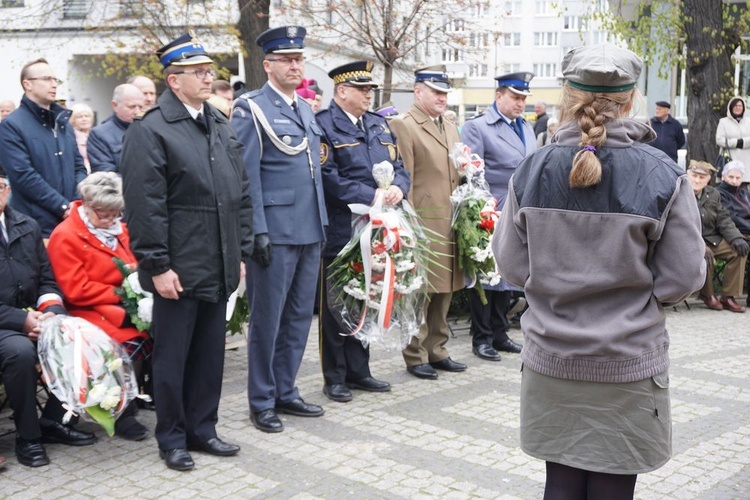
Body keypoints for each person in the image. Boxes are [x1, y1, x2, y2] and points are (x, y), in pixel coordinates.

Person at [493, 43, 706, 499]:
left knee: (561, 484)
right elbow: (685, 276)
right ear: (630, 98)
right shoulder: (664, 174)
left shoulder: (531, 169)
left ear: (568, 93)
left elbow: (511, 264)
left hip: (552, 359)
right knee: (613, 486)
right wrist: (637, 301)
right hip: (625, 363)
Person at [120, 32, 253, 471]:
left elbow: (239, 193)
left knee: (210, 354)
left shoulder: (218, 121)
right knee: (174, 357)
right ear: (173, 80)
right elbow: (145, 205)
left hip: (217, 259)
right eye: (198, 71)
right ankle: (172, 437)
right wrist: (156, 265)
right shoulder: (152, 128)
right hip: (178, 264)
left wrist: (239, 250)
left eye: (209, 70)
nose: (208, 76)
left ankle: (203, 429)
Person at [231, 26, 328, 432]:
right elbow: (246, 177)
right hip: (275, 231)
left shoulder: (305, 109)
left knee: (299, 318)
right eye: (287, 59)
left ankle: (286, 390)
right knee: (268, 321)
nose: (295, 65)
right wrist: (256, 233)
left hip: (308, 228)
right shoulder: (250, 108)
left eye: (299, 59)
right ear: (267, 65)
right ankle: (261, 399)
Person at [315, 60, 410, 401]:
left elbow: (400, 166)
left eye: (370, 89)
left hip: (378, 228)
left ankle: (360, 370)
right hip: (343, 229)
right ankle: (335, 377)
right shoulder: (324, 125)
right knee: (337, 302)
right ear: (342, 91)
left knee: (367, 298)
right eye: (362, 89)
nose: (369, 95)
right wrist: (370, 195)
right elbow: (327, 177)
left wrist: (400, 187)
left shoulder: (378, 124)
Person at [0, 164, 97, 468]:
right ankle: (28, 438)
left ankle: (54, 421)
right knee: (19, 352)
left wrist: (51, 314)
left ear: (8, 190)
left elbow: (46, 280)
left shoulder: (27, 226)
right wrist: (20, 320)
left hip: (34, 317)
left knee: (77, 335)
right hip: (6, 325)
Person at [47, 171, 152, 441]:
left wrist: (137, 287)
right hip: (86, 311)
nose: (110, 220)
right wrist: (123, 293)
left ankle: (137, 394)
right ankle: (123, 411)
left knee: (161, 330)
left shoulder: (119, 229)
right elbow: (76, 290)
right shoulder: (66, 235)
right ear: (87, 205)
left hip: (119, 305)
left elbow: (135, 264)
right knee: (127, 342)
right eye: (103, 214)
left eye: (115, 214)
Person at [389, 66, 466, 380]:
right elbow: (403, 176)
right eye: (436, 92)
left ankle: (438, 349)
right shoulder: (404, 125)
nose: (442, 98)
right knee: (420, 290)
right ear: (417, 91)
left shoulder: (448, 124)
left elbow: (456, 168)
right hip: (422, 220)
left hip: (450, 217)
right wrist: (405, 224)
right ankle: (415, 353)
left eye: (445, 93)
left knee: (445, 287)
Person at [461, 72, 535, 361]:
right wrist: (485, 206)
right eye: (515, 97)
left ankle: (500, 332)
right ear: (499, 95)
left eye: (524, 99)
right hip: (489, 204)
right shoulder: (478, 127)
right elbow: (472, 171)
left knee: (508, 271)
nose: (520, 104)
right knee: (486, 274)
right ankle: (482, 337)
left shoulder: (524, 127)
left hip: (517, 205)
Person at [0, 58, 87, 238]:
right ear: (27, 84)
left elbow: (78, 166)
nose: (54, 84)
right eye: (47, 79)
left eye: (56, 80)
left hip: (71, 221)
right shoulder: (11, 125)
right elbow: (23, 175)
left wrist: (76, 202)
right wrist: (62, 206)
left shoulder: (63, 123)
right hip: (34, 225)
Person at [688, 160, 749, 313]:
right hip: (690, 239)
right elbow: (679, 224)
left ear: (708, 179)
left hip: (712, 238)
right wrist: (700, 245)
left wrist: (736, 238)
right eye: (694, 175)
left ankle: (728, 296)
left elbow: (724, 219)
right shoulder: (680, 192)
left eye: (702, 177)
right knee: (705, 255)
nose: (697, 180)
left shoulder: (713, 194)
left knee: (738, 251)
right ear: (687, 175)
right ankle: (707, 295)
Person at [87, 84, 145, 173]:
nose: (137, 112)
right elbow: (106, 175)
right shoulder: (99, 135)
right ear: (115, 105)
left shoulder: (149, 130)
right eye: (131, 107)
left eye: (141, 107)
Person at [718, 160, 750, 306]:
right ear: (723, 177)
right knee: (743, 249)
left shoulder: (745, 193)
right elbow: (730, 217)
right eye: (731, 177)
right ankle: (729, 296)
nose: (734, 181)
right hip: (734, 233)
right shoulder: (719, 193)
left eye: (738, 178)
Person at [716, 96, 750, 183]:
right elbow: (719, 140)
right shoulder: (723, 122)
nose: (738, 108)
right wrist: (736, 143)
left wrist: (743, 142)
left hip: (746, 161)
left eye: (740, 106)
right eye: (735, 106)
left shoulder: (748, 122)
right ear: (730, 108)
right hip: (729, 159)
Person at [69, 103, 94, 173]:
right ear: (73, 120)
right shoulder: (71, 136)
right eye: (80, 117)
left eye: (87, 116)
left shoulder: (97, 133)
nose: (84, 119)